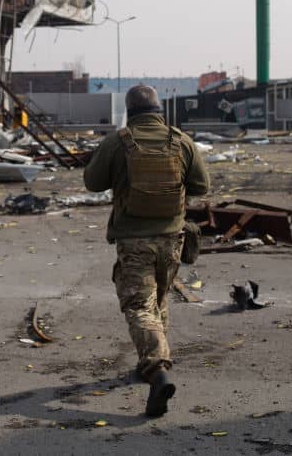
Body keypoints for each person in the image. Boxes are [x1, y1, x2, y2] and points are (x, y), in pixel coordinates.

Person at [83, 85, 209, 417]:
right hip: (172, 239)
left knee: (140, 306)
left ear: (130, 112)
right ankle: (152, 361)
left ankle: (157, 369)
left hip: (134, 240)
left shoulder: (118, 141)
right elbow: (201, 185)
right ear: (159, 110)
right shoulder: (181, 141)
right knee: (159, 301)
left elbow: (92, 183)